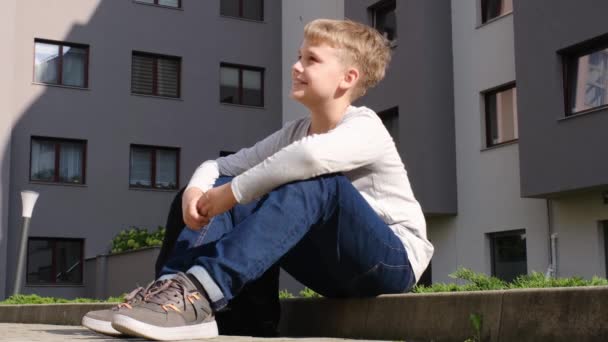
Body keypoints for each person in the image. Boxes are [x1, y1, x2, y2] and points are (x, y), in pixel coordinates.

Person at [83, 18, 433, 341]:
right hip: (335, 267)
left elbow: (309, 158)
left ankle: (201, 291)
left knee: (313, 182)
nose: (296, 67)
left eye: (311, 60)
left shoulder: (365, 126)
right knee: (213, 191)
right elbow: (221, 166)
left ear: (348, 78)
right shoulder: (294, 132)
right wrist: (199, 191)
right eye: (299, 57)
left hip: (391, 261)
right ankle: (174, 295)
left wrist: (232, 193)